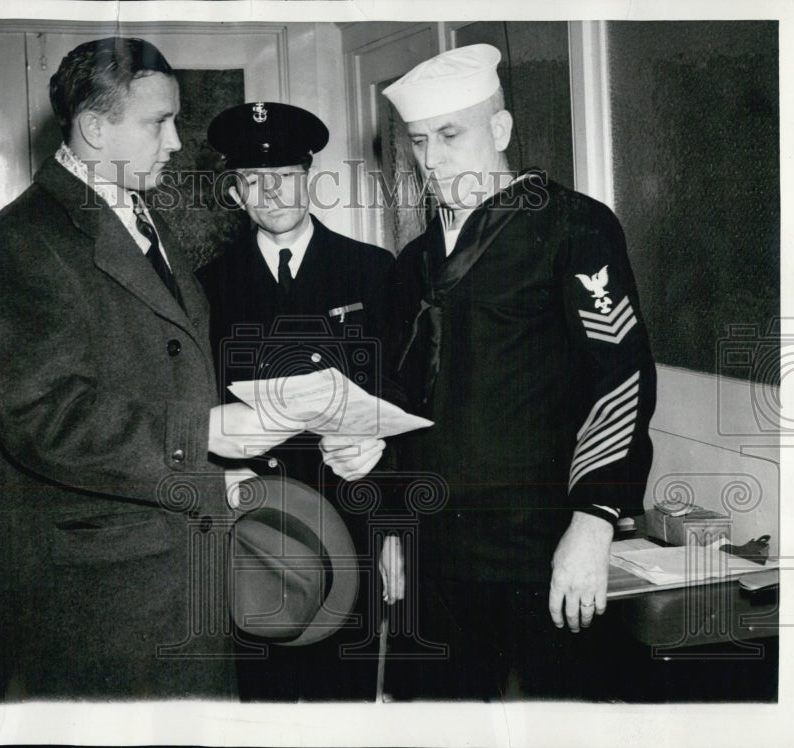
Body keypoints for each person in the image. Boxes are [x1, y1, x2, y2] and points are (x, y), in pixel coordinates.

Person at [0, 37, 298, 699]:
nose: (176, 142)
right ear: (94, 128)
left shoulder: (142, 216)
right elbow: (45, 418)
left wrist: (215, 479)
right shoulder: (16, 244)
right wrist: (201, 435)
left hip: (170, 566)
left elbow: (163, 373)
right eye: (157, 123)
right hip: (95, 597)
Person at [380, 44, 657, 700]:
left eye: (451, 135)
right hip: (435, 556)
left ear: (500, 130)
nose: (432, 159)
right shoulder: (414, 261)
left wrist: (593, 520)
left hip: (539, 550)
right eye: (419, 140)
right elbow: (399, 404)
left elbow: (620, 378)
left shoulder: (572, 227)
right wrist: (391, 524)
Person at [196, 102, 404, 700]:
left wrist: (393, 527)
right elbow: (196, 410)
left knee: (344, 701)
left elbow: (399, 402)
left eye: (285, 175)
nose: (271, 193)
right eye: (252, 179)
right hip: (257, 527)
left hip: (351, 516)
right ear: (234, 190)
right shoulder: (207, 286)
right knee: (260, 700)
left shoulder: (370, 271)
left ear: (309, 176)